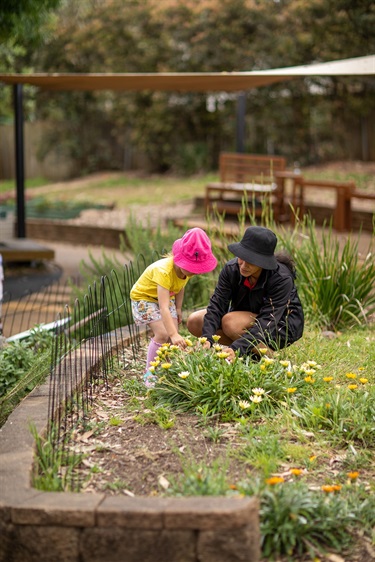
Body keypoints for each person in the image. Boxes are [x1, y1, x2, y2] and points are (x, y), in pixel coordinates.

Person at [187, 226, 304, 361]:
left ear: (263, 262)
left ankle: (270, 356)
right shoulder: (231, 269)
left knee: (230, 323)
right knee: (195, 321)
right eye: (241, 257)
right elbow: (217, 304)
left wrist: (237, 348)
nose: (243, 265)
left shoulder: (281, 279)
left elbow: (268, 320)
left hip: (280, 325)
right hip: (243, 316)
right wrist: (207, 338)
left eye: (251, 261)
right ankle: (249, 352)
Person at [130, 227, 217, 385]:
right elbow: (163, 307)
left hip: (165, 297)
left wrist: (178, 309)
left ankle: (165, 367)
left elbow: (179, 287)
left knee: (172, 333)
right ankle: (150, 373)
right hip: (145, 298)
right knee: (164, 333)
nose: (194, 272)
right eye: (191, 267)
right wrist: (173, 333)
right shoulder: (164, 271)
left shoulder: (186, 271)